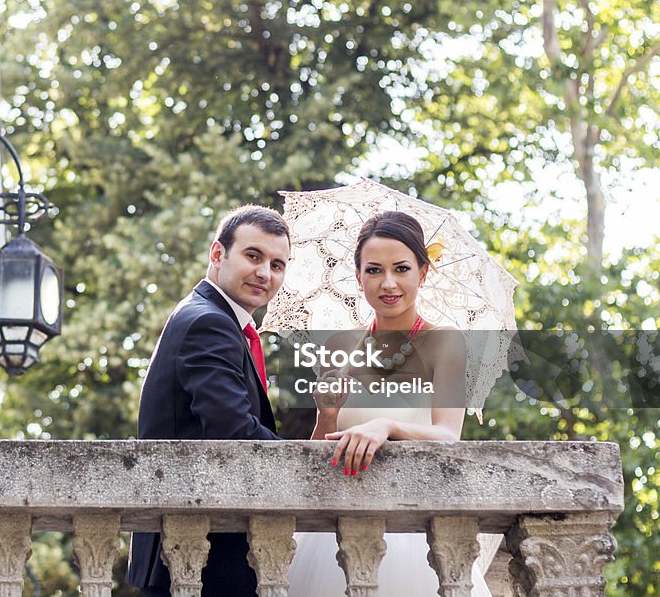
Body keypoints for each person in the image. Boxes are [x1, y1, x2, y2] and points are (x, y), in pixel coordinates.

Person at [286, 210, 495, 596]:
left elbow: (449, 436)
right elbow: (320, 451)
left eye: (401, 269)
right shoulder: (339, 345)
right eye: (373, 270)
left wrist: (388, 426)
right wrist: (326, 415)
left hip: (412, 521)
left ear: (423, 272)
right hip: (341, 518)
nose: (388, 283)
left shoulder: (445, 341)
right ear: (358, 275)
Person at [126, 204, 291, 597]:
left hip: (199, 552)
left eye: (278, 264)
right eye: (253, 256)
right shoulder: (209, 322)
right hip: (197, 556)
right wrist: (308, 462)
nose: (265, 273)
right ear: (218, 255)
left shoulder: (213, 318)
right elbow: (235, 432)